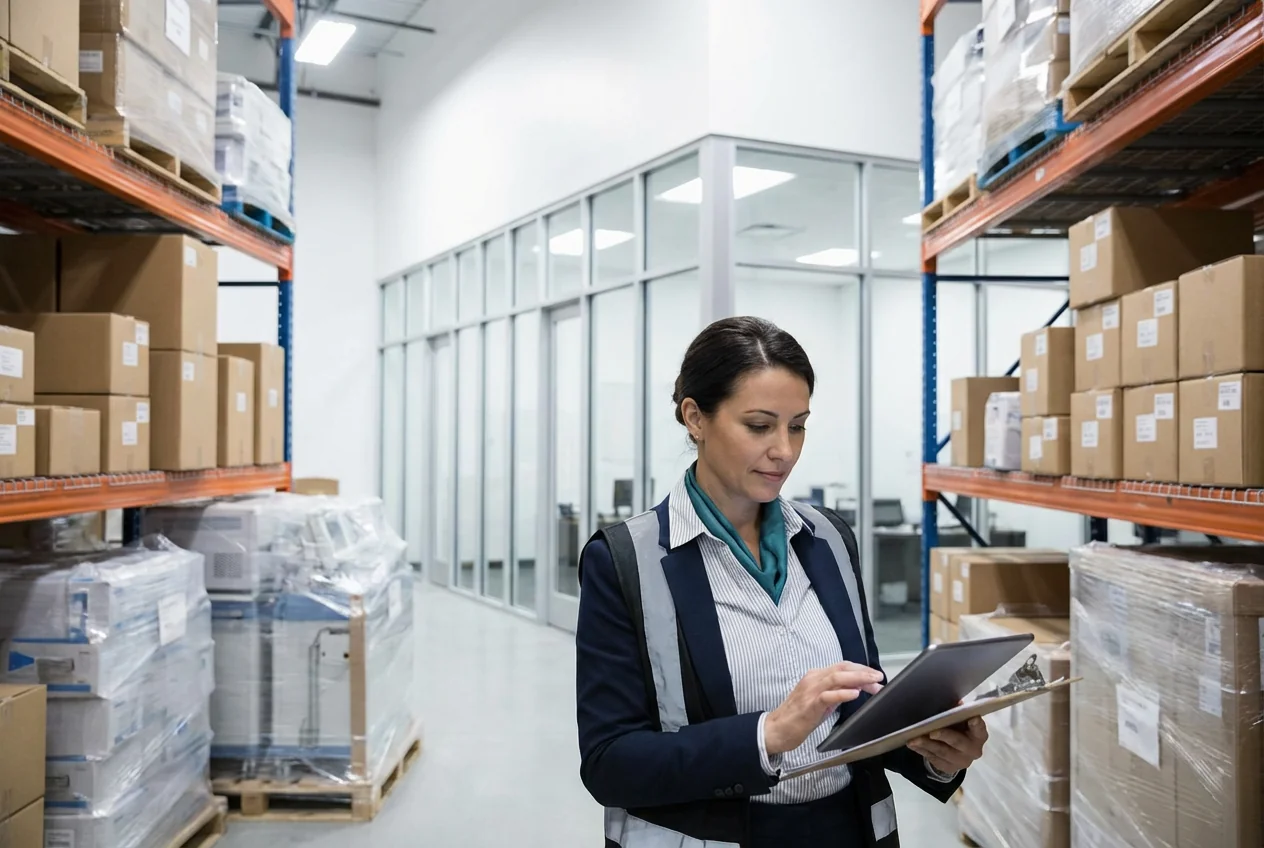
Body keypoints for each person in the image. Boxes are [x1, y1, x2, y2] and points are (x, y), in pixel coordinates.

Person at [575, 316, 988, 847]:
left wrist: (932, 751)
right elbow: (610, 762)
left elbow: (860, 709)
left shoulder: (828, 538)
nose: (785, 451)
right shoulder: (625, 560)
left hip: (848, 829)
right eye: (759, 426)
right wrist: (766, 735)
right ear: (695, 417)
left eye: (797, 426)